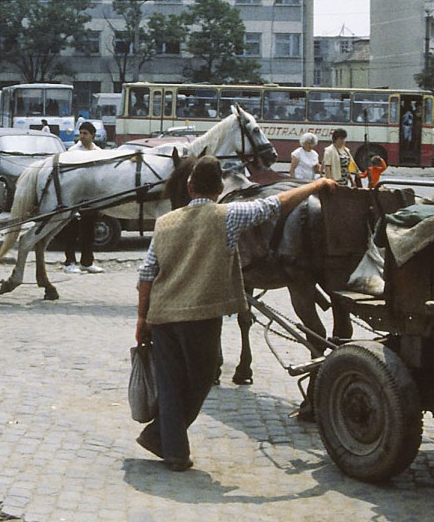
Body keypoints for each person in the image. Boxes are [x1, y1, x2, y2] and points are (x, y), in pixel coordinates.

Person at [134, 156, 336, 471]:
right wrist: (316, 184)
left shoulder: (165, 222)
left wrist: (141, 319)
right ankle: (162, 440)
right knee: (201, 379)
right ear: (218, 189)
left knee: (172, 382)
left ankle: (170, 448)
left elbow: (146, 274)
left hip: (162, 315)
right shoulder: (228, 216)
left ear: (189, 186)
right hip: (200, 316)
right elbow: (276, 204)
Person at [62, 121, 104, 275]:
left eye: (85, 133)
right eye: (80, 133)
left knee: (88, 231)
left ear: (92, 135)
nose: (82, 136)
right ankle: (69, 262)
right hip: (75, 195)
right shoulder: (73, 151)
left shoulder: (98, 151)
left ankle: (87, 262)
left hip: (91, 196)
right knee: (72, 231)